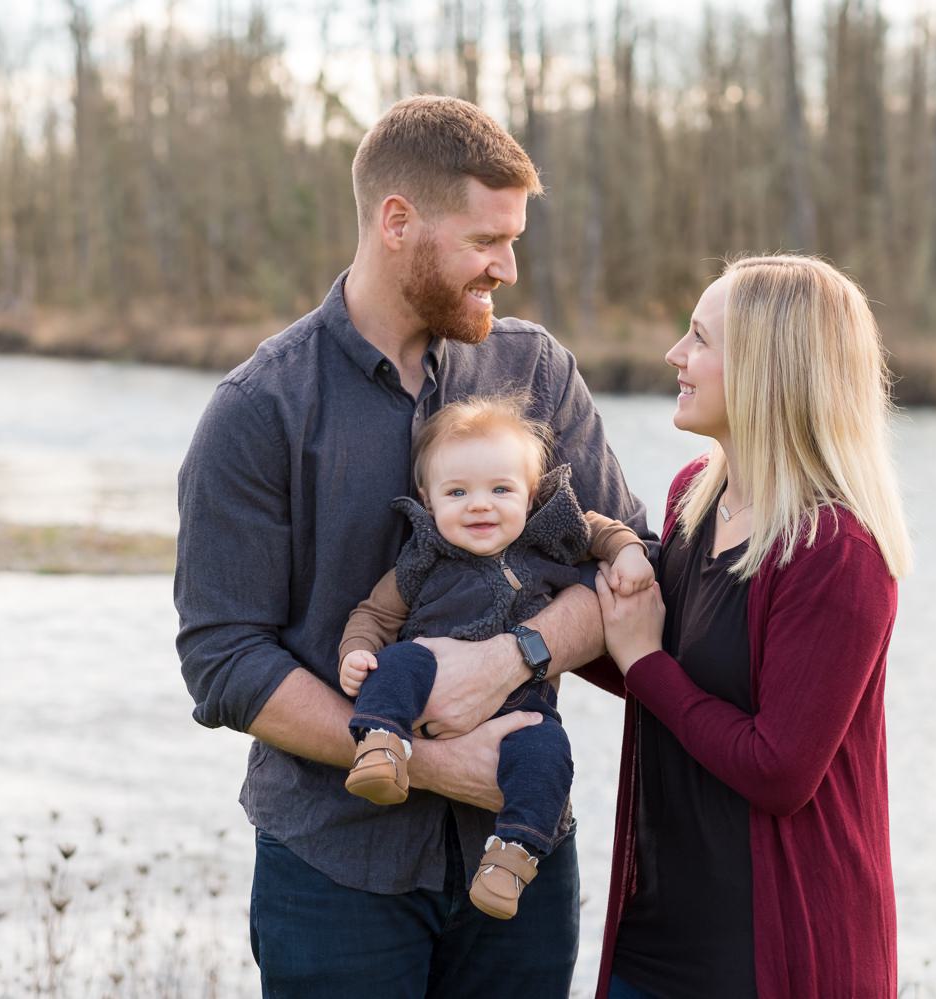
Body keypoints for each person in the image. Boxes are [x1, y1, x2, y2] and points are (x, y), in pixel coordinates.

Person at [174, 95, 651, 997]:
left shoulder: (536, 372)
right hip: (333, 874)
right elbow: (223, 658)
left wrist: (520, 654)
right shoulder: (259, 410)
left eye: (513, 241)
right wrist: (429, 762)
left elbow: (632, 567)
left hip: (524, 859)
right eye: (485, 241)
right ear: (398, 221)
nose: (507, 267)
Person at [583, 254, 913, 998]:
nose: (676, 354)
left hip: (775, 959)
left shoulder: (838, 551)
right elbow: (652, 659)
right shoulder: (693, 499)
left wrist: (640, 663)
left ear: (767, 368)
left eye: (698, 338)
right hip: (653, 939)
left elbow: (779, 769)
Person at [335, 395, 653, 920]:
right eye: (457, 492)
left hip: (521, 707)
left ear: (531, 496)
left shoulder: (547, 544)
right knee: (399, 663)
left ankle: (512, 857)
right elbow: (374, 615)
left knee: (548, 755)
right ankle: (381, 746)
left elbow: (603, 527)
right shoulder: (423, 560)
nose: (480, 505)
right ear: (428, 500)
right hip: (429, 678)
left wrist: (628, 551)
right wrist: (357, 652)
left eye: (500, 490)